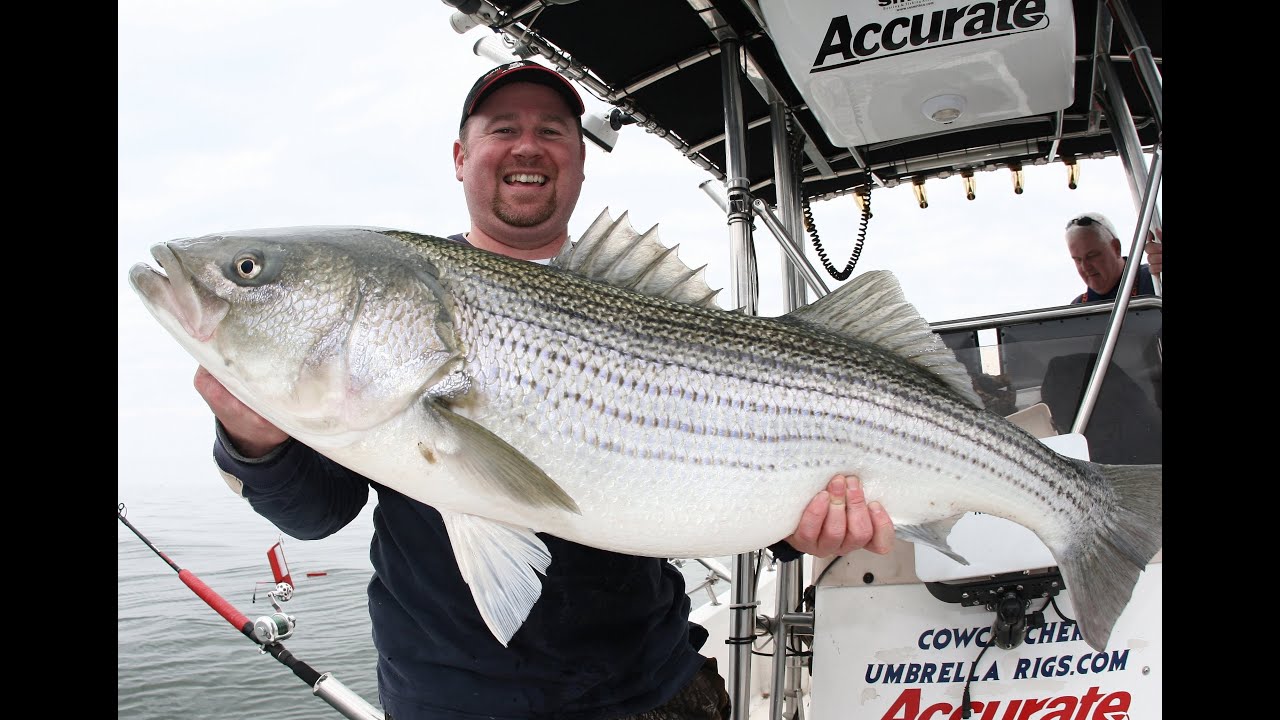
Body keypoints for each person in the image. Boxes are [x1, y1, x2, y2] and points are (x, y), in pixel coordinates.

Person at [192, 60, 895, 720]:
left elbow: (724, 476)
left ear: (580, 162)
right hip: (448, 698)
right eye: (503, 129)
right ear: (461, 158)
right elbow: (317, 514)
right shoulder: (383, 348)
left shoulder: (641, 299)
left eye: (551, 131)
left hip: (650, 688)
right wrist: (254, 440)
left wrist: (799, 532)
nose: (527, 146)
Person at [1064, 211, 1162, 304]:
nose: (1085, 267)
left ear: (1116, 247)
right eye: (1078, 260)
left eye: (1092, 256)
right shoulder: (1077, 308)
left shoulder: (1156, 279)